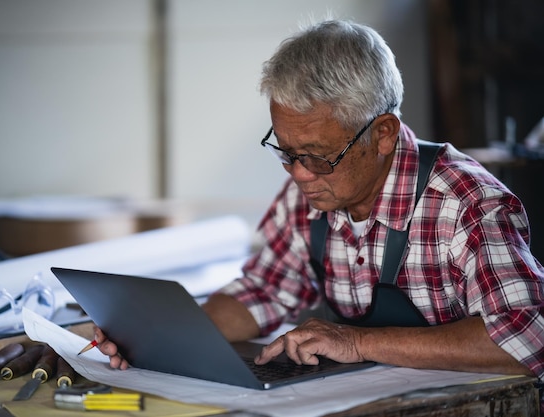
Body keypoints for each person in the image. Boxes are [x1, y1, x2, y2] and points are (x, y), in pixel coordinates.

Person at [96, 19, 544, 393]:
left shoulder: (465, 202)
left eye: (317, 155)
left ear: (383, 133)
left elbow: (526, 338)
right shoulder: (308, 196)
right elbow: (265, 292)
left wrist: (358, 343)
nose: (298, 174)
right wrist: (153, 338)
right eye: (286, 151)